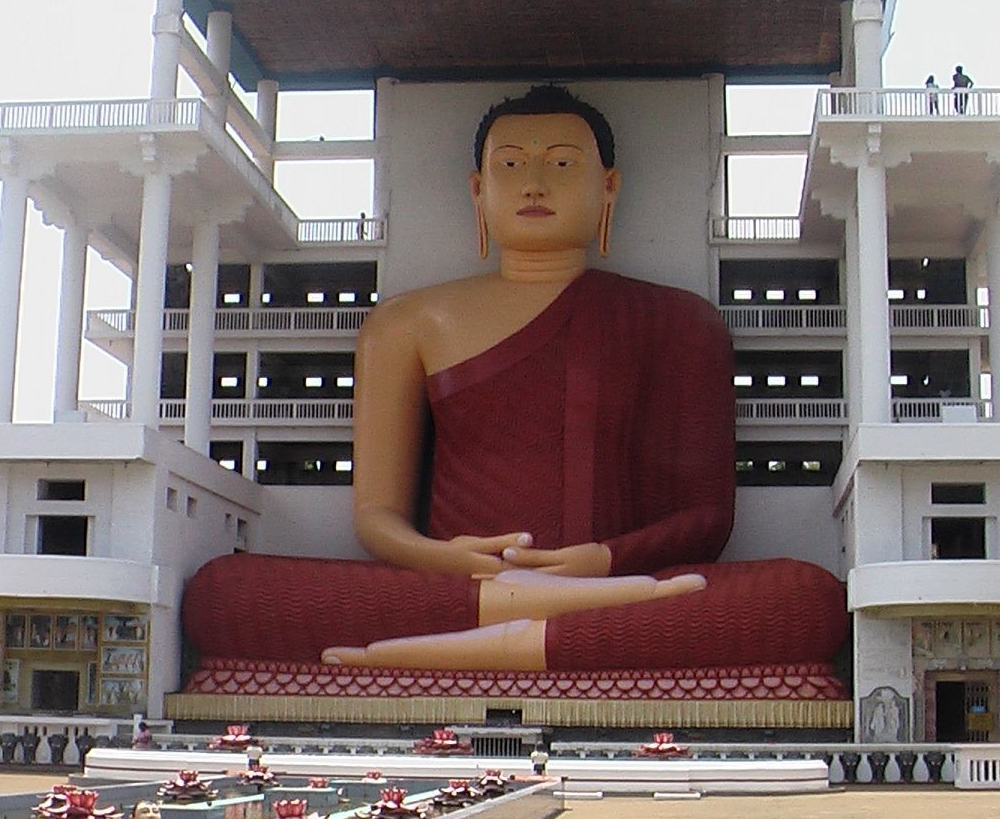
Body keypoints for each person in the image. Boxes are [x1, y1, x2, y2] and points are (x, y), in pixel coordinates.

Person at [183, 85, 847, 672]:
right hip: (461, 588)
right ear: (479, 187)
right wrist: (447, 560)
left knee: (806, 599)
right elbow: (377, 518)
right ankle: (547, 632)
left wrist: (603, 563)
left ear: (608, 185)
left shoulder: (679, 322)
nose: (534, 183)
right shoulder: (406, 323)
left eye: (562, 163)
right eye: (511, 165)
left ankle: (473, 645)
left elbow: (706, 519)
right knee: (224, 594)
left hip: (621, 585)